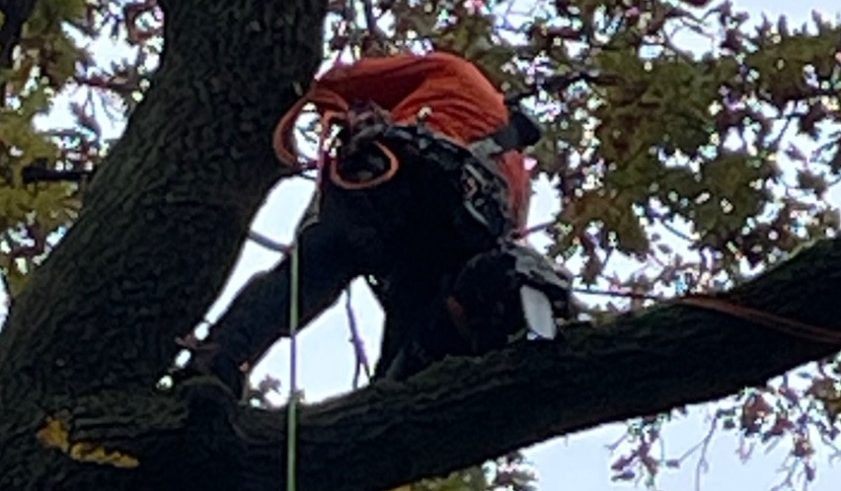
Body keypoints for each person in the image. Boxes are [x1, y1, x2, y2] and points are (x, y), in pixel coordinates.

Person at [187, 49, 571, 391]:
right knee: (407, 340)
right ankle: (387, 397)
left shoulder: (454, 72)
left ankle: (219, 360)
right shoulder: (517, 178)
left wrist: (358, 109)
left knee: (310, 274)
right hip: (448, 241)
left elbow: (337, 83)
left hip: (396, 182)